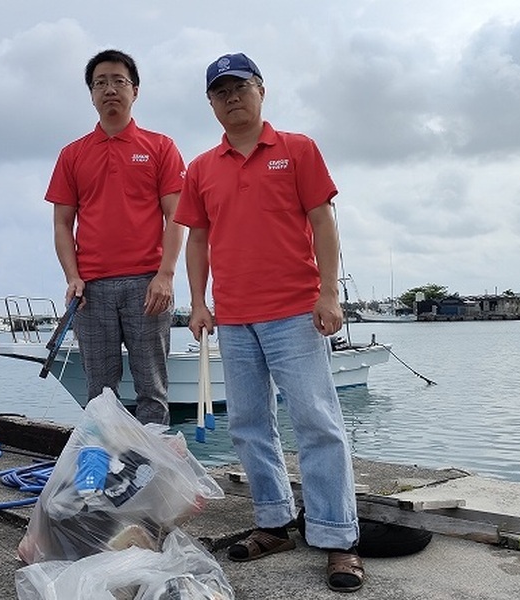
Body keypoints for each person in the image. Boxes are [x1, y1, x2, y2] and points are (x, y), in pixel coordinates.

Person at [174, 53, 364, 593]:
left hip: (295, 312)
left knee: (318, 423)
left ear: (261, 90)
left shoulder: (298, 149)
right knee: (248, 424)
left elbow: (323, 222)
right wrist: (198, 302)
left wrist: (328, 293)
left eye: (240, 87)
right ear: (210, 103)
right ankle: (274, 523)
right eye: (220, 92)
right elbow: (197, 240)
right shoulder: (201, 168)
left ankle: (337, 536)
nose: (231, 97)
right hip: (234, 319)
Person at [46, 49, 186, 426]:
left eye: (118, 81)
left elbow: (177, 216)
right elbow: (62, 224)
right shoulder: (72, 154)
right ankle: (105, 459)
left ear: (135, 91)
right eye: (100, 83)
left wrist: (166, 275)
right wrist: (72, 277)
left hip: (148, 285)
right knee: (100, 393)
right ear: (91, 94)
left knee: (152, 390)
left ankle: (152, 460)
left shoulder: (161, 147)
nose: (109, 89)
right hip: (91, 290)